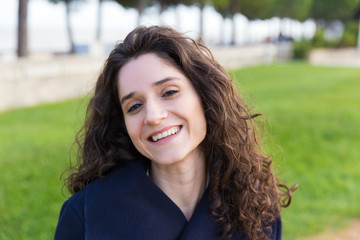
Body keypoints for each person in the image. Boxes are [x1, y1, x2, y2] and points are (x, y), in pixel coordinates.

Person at [55, 26, 294, 240]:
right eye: (134, 106)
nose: (153, 116)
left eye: (169, 92)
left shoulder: (255, 208)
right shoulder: (87, 215)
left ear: (205, 96)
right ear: (123, 124)